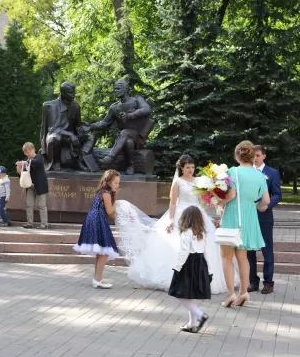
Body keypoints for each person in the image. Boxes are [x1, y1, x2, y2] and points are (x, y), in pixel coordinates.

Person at [114, 154, 239, 294]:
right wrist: (171, 220)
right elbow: (173, 203)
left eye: (192, 167)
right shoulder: (178, 182)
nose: (190, 170)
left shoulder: (200, 181)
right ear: (182, 168)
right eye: (187, 167)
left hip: (197, 213)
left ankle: (206, 278)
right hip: (181, 214)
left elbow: (203, 200)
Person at [218, 141, 270, 308]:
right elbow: (266, 201)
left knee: (226, 257)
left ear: (238, 154)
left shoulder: (233, 171)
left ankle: (230, 294)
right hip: (249, 218)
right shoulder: (260, 175)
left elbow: (231, 195)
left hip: (233, 217)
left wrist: (220, 201)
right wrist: (251, 206)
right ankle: (243, 292)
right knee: (243, 257)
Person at [73, 170, 121, 289]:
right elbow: (110, 211)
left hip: (95, 218)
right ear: (109, 182)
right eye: (115, 183)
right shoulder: (106, 193)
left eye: (118, 183)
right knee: (104, 251)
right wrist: (118, 203)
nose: (117, 185)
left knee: (101, 251)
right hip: (97, 220)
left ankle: (97, 278)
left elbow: (111, 214)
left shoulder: (103, 191)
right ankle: (97, 279)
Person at [169, 205, 212, 334]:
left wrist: (177, 268)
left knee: (181, 295)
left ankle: (200, 315)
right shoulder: (202, 233)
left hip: (188, 265)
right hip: (200, 264)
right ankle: (192, 324)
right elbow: (206, 252)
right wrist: (209, 270)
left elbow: (184, 252)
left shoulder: (186, 233)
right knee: (190, 296)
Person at [247, 145, 282, 294]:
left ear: (264, 156)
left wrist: (267, 205)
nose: (255, 158)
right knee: (249, 251)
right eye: (253, 155)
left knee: (267, 250)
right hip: (248, 215)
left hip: (264, 216)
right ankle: (253, 281)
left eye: (258, 155)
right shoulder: (246, 172)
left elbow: (277, 194)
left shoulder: (272, 173)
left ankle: (268, 282)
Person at [16, 142, 49, 229]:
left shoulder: (39, 157)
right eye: (26, 152)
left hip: (40, 186)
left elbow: (36, 163)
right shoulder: (26, 160)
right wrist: (19, 171)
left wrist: (25, 162)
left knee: (42, 205)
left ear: (33, 149)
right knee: (29, 204)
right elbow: (24, 174)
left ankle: (44, 224)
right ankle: (29, 223)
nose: (28, 154)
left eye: (29, 151)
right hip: (30, 186)